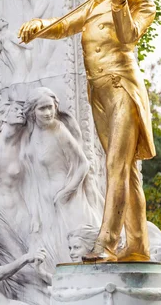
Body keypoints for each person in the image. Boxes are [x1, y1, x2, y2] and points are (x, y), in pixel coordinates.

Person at [18, 0, 156, 262]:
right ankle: (137, 246)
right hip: (99, 92)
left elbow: (129, 37)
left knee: (115, 165)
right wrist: (40, 25)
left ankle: (106, 244)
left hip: (123, 86)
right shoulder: (96, 1)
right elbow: (65, 26)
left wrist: (121, 2)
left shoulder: (141, 2)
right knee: (127, 170)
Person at [20, 87, 103, 269]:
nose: (49, 113)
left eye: (50, 107)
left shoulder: (58, 129)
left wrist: (68, 191)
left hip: (67, 198)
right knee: (56, 251)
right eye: (42, 108)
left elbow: (83, 164)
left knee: (79, 248)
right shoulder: (30, 136)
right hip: (44, 201)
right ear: (32, 111)